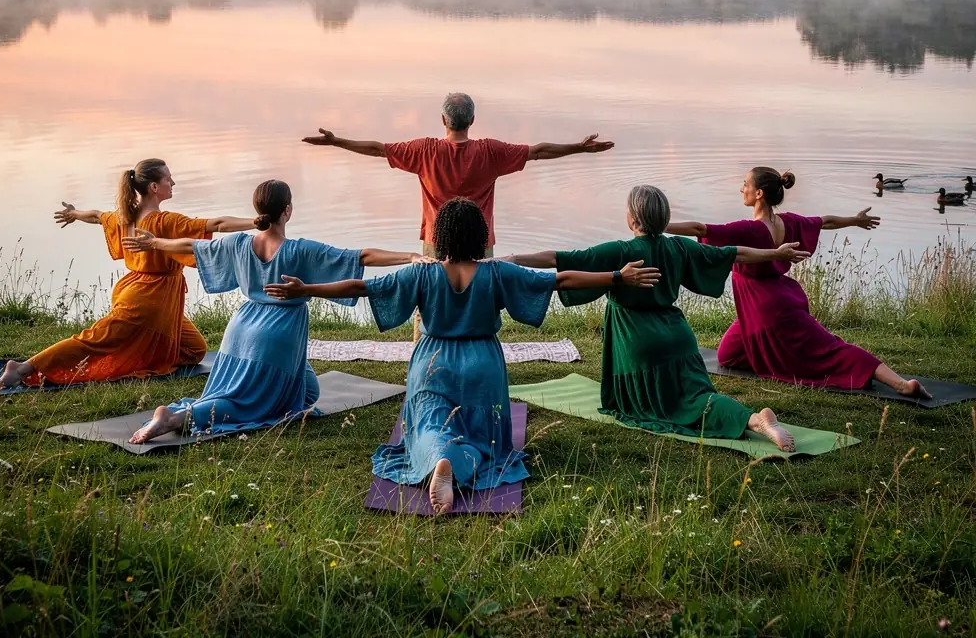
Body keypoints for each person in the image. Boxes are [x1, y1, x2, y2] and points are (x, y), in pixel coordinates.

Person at [264, 197, 661, 514]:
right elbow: (559, 280)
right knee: (484, 440)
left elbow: (362, 287)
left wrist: (309, 289)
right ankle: (457, 461)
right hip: (482, 366)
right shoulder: (497, 273)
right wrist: (616, 277)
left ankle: (439, 456)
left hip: (433, 364)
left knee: (428, 426)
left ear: (441, 236)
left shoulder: (421, 273)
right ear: (480, 236)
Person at [505, 184, 813, 452]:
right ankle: (752, 418)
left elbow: (558, 258)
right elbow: (733, 254)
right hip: (679, 338)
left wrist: (513, 260)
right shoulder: (678, 245)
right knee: (697, 396)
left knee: (679, 409)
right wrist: (774, 254)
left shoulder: (621, 250)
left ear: (633, 218)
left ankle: (754, 420)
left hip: (639, 343)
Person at [121, 179, 427, 443]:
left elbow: (192, 246)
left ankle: (184, 413)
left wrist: (155, 243)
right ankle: (176, 418)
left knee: (306, 394)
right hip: (276, 335)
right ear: (288, 210)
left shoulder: (239, 243)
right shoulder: (299, 249)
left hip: (240, 328)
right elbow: (362, 256)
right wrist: (411, 255)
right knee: (249, 405)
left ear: (258, 211)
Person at [666, 167, 931, 398]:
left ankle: (902, 385)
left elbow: (700, 230)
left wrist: (658, 223)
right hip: (773, 302)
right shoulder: (788, 222)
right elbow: (824, 221)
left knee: (830, 350)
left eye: (745, 184)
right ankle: (779, 356)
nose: (741, 189)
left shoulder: (749, 229)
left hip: (766, 308)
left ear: (759, 193)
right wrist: (855, 220)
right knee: (727, 356)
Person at [0, 159, 255, 390]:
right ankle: (23, 367)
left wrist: (74, 213)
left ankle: (141, 355)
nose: (172, 182)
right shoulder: (164, 222)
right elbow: (217, 224)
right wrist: (257, 222)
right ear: (154, 187)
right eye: (167, 178)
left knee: (195, 349)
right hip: (145, 301)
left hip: (150, 297)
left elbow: (97, 216)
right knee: (95, 340)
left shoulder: (124, 216)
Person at [302, 92, 615, 258]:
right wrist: (579, 148)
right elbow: (539, 151)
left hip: (436, 241)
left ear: (443, 119)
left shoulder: (423, 151)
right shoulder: (492, 152)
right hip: (480, 241)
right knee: (480, 299)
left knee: (432, 301)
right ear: (472, 119)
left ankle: (427, 355)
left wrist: (338, 141)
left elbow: (376, 149)